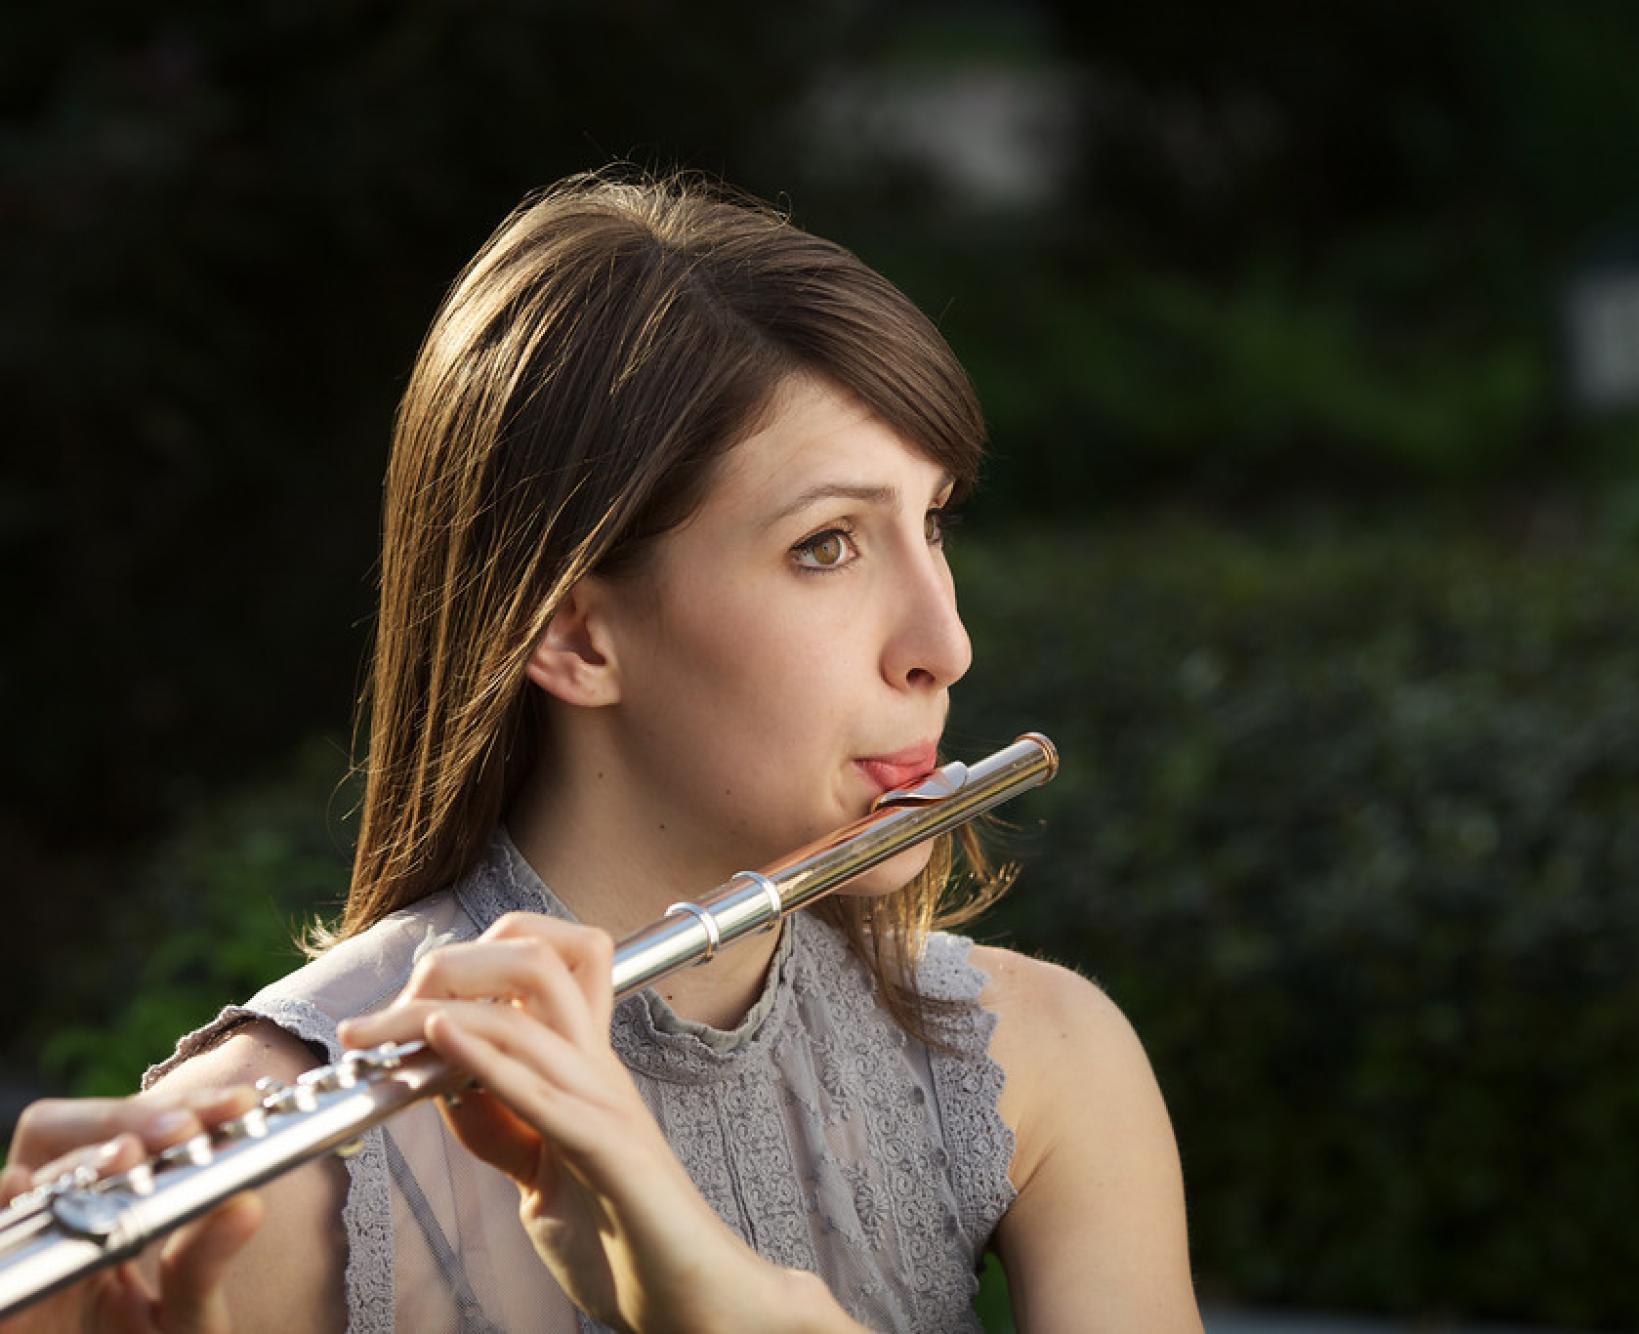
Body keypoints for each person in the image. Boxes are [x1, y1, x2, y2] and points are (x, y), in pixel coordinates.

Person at [3, 171, 1199, 1333]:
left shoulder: (1035, 1065)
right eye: (827, 544)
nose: (944, 641)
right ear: (574, 634)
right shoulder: (268, 1177)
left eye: (928, 522)